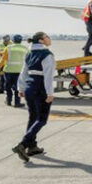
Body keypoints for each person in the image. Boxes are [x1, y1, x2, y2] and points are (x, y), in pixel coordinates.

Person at [13, 32, 55, 162]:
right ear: (42, 41)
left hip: (29, 88)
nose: (49, 39)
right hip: (40, 88)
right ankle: (23, 144)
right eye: (47, 37)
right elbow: (48, 76)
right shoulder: (47, 55)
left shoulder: (29, 53)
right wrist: (50, 93)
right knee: (42, 119)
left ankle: (32, 147)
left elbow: (23, 72)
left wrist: (21, 88)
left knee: (32, 118)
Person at [0, 34, 28, 107]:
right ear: (21, 40)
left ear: (13, 40)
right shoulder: (25, 48)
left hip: (8, 70)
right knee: (18, 87)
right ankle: (17, 103)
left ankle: (8, 101)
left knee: (8, 86)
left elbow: (3, 59)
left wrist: (0, 67)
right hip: (19, 70)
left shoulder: (8, 48)